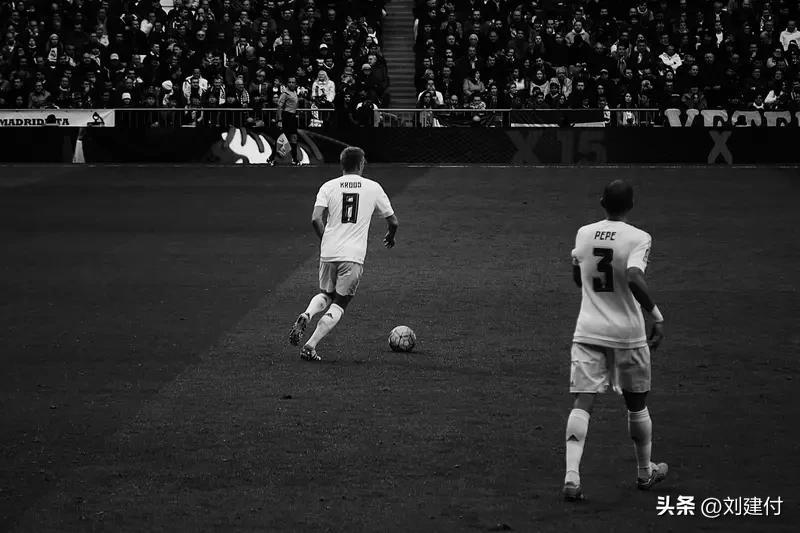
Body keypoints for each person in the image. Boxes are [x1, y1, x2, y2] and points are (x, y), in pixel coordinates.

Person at [562, 180, 667, 501]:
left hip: (589, 330)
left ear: (601, 201)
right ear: (631, 205)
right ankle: (645, 472)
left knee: (582, 402)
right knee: (637, 404)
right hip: (628, 333)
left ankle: (571, 476)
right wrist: (657, 315)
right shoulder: (639, 237)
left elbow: (579, 279)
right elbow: (634, 276)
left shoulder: (583, 233)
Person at [288, 147, 399, 362]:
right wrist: (391, 236)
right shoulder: (373, 187)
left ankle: (307, 314)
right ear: (361, 164)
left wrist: (326, 240)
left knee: (325, 294)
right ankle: (310, 346)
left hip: (328, 252)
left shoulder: (328, 186)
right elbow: (393, 221)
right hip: (353, 255)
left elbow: (315, 219)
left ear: (342, 164)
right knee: (340, 303)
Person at [268, 76, 302, 165]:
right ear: (287, 83)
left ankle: (294, 159)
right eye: (289, 82)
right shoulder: (285, 93)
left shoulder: (294, 92)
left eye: (293, 82)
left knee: (294, 138)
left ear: (295, 84)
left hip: (293, 117)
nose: (291, 84)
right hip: (286, 116)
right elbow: (279, 107)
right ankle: (271, 158)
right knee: (282, 139)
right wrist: (279, 120)